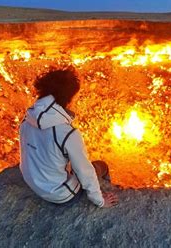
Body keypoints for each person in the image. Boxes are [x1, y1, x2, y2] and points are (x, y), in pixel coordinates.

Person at [19, 68, 119, 208]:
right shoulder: (66, 132)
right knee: (100, 166)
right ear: (68, 98)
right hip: (60, 194)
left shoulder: (27, 119)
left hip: (33, 183)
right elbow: (85, 171)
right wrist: (100, 201)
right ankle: (107, 189)